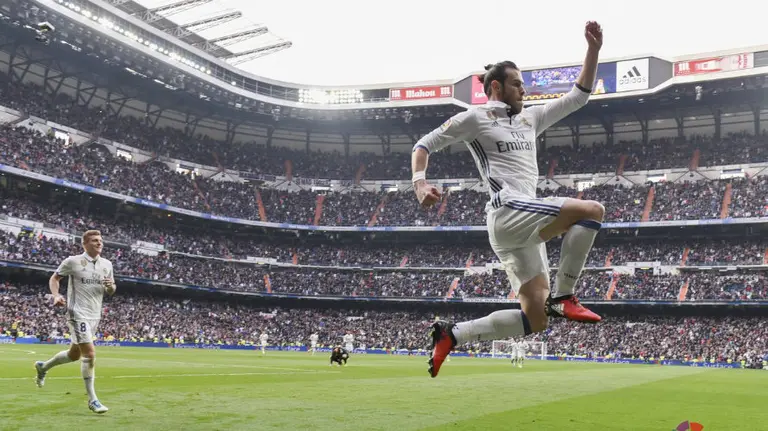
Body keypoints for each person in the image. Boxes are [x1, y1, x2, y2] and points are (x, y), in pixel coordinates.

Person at [411, 22, 605, 378]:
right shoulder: (475, 118)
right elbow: (423, 144)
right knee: (591, 211)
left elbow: (579, 96)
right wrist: (420, 183)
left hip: (522, 223)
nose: (524, 91)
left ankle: (452, 334)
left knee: (536, 319)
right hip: (508, 210)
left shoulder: (531, 118)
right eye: (518, 84)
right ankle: (565, 296)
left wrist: (593, 50)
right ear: (496, 86)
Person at [34, 230, 115, 413]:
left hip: (95, 314)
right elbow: (55, 278)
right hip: (77, 312)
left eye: (100, 241)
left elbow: (111, 290)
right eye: (94, 240)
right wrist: (56, 295)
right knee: (90, 354)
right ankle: (93, 400)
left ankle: (43, 367)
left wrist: (111, 287)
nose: (99, 243)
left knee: (74, 355)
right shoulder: (73, 261)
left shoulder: (107, 264)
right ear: (85, 244)